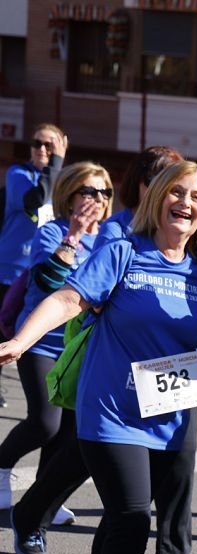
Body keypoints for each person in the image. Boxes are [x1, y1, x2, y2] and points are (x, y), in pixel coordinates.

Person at [0, 159, 197, 554]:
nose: (186, 203)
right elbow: (70, 297)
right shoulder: (123, 250)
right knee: (133, 516)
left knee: (124, 520)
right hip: (111, 411)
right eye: (177, 192)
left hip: (168, 411)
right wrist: (22, 340)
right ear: (157, 196)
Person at [0, 161, 112, 524]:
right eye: (89, 191)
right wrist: (74, 236)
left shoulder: (111, 239)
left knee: (67, 433)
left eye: (104, 192)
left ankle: (43, 495)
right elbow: (49, 283)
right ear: (69, 193)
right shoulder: (51, 232)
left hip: (80, 348)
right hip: (41, 342)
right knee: (45, 422)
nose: (97, 199)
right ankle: (1, 467)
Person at [0, 124, 67, 415]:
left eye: (49, 146)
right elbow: (35, 201)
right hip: (9, 272)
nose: (41, 150)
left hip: (40, 276)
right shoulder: (19, 174)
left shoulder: (64, 181)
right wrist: (56, 163)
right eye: (36, 143)